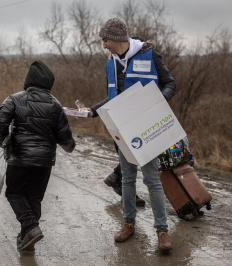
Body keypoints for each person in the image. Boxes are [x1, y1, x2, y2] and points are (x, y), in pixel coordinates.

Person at [86, 18, 176, 251]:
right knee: (127, 178)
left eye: (105, 40)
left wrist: (156, 102)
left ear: (116, 38)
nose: (103, 45)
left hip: (146, 127)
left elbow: (170, 84)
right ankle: (129, 224)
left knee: (152, 180)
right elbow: (113, 97)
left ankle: (162, 231)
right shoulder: (110, 64)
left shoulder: (149, 55)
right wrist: (92, 111)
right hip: (122, 129)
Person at [0, 60, 76, 252]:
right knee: (34, 198)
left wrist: (4, 141)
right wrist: (70, 147)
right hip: (44, 163)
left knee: (14, 193)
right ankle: (27, 239)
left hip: (19, 158)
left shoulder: (14, 99)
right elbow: (66, 139)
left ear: (28, 80)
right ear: (49, 82)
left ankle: (30, 227)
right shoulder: (55, 105)